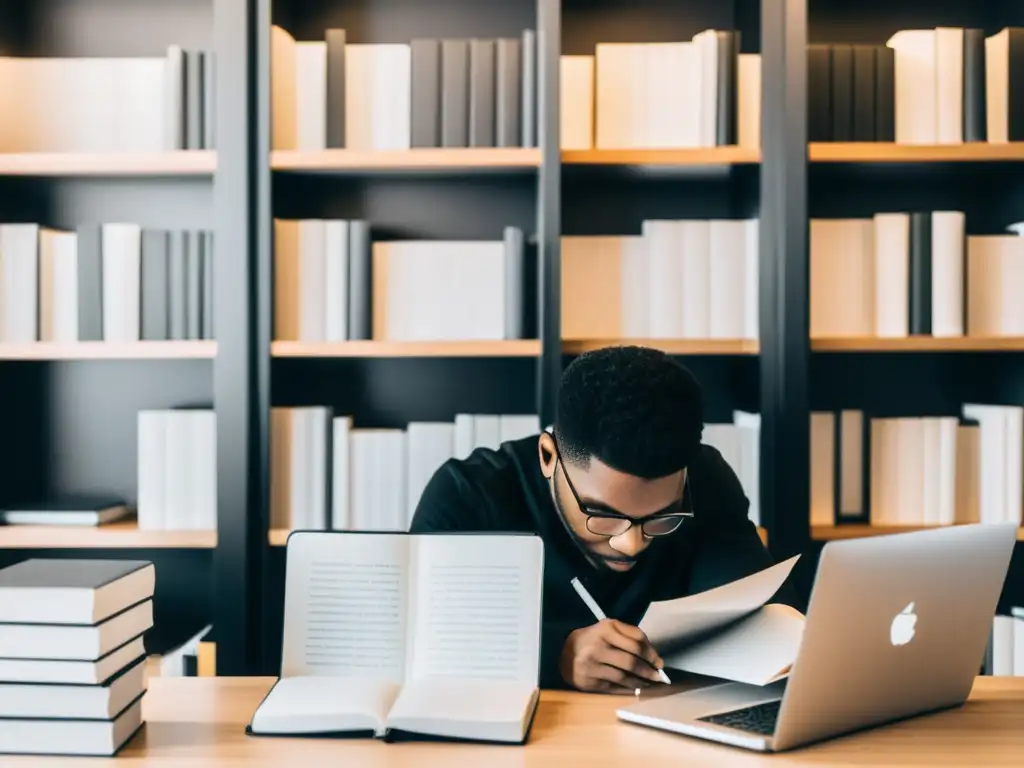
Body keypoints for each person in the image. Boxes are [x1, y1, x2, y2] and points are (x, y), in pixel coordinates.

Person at [409, 345, 802, 694]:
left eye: (662, 517)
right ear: (548, 456)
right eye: (602, 515)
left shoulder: (705, 480)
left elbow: (755, 612)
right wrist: (554, 655)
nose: (630, 543)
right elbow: (421, 641)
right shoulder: (468, 496)